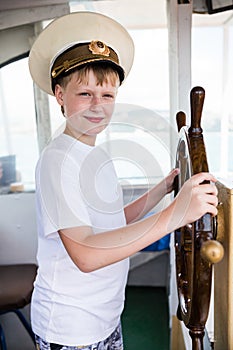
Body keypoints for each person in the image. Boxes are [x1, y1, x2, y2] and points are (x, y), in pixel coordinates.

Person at [28, 11, 218, 350]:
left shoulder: (94, 153)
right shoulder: (57, 160)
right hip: (72, 329)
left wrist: (163, 189)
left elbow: (112, 220)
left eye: (107, 96)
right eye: (84, 94)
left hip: (105, 315)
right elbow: (86, 254)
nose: (97, 106)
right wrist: (176, 214)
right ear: (59, 95)